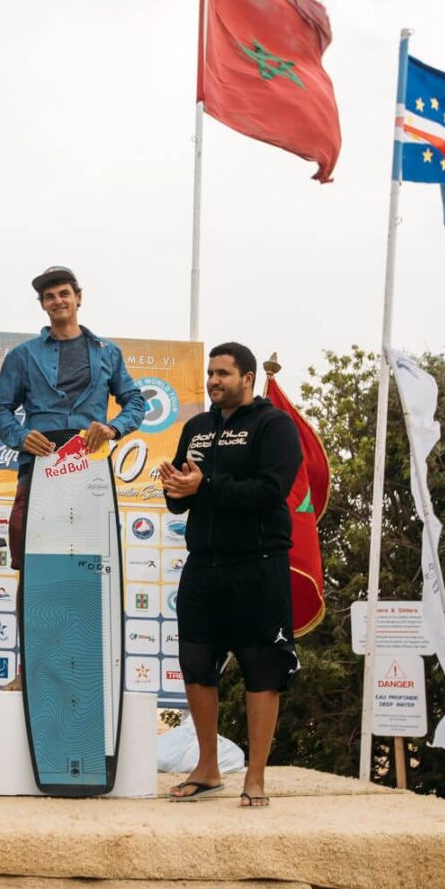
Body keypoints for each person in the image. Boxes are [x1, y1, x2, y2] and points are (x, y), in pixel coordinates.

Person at [156, 342, 302, 808]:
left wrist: (207, 485)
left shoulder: (274, 425)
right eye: (210, 374)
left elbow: (271, 490)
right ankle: (207, 768)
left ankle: (254, 777)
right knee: (196, 664)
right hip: (204, 565)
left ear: (248, 378)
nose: (213, 381)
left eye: (223, 373)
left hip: (258, 565)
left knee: (263, 668)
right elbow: (182, 495)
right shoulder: (196, 427)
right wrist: (175, 489)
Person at [0, 265, 145, 690]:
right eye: (49, 297)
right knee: (35, 570)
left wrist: (112, 428)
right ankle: (28, 670)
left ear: (78, 297)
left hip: (89, 467)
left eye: (63, 294)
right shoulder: (23, 356)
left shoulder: (107, 352)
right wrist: (21, 437)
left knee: (87, 569)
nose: (57, 301)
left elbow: (135, 402)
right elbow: (0, 407)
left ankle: (83, 667)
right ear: (42, 305)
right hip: (39, 466)